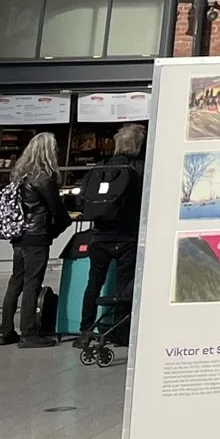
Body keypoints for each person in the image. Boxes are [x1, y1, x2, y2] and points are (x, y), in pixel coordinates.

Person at [72, 122, 144, 348]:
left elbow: (80, 200)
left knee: (94, 283)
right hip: (127, 237)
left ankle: (85, 331)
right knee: (124, 287)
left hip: (99, 236)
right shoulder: (140, 169)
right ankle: (120, 332)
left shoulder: (99, 168)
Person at [0, 133, 68, 348]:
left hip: (19, 236)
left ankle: (6, 331)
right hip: (37, 237)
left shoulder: (20, 175)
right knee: (32, 283)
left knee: (16, 281)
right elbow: (57, 210)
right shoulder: (43, 178)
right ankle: (29, 332)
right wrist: (57, 229)